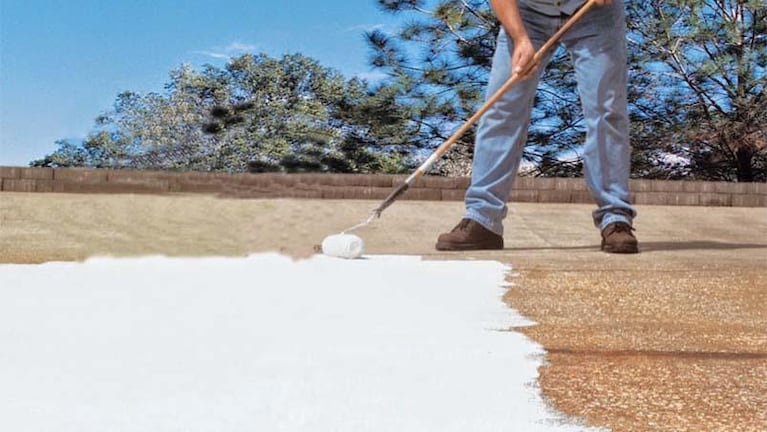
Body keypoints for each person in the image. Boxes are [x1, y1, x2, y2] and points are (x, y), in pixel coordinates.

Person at [435, 0, 638, 254]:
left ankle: (615, 218)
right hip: (527, 11)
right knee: (503, 107)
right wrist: (520, 37)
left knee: (606, 110)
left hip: (593, 11)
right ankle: (483, 218)